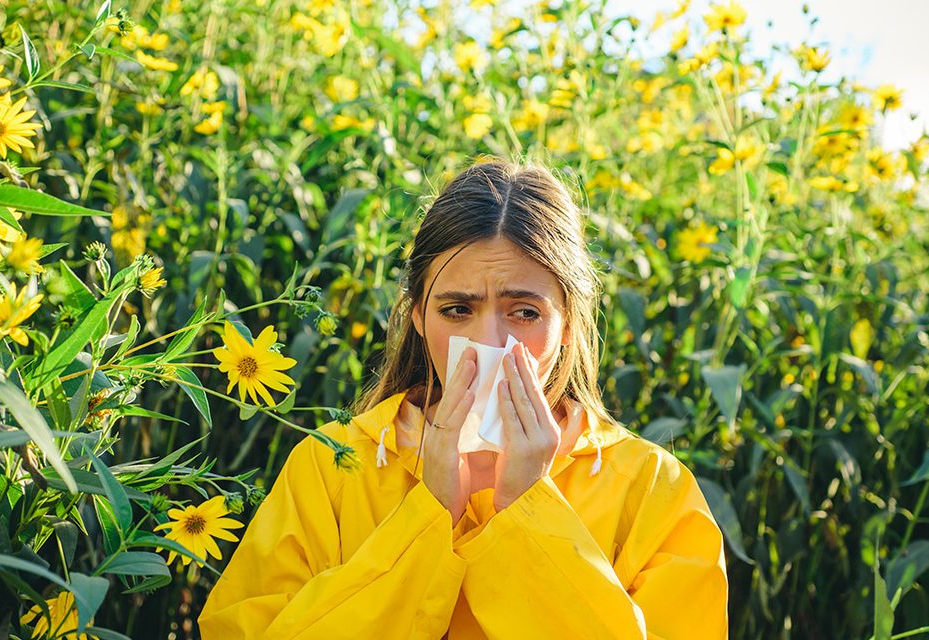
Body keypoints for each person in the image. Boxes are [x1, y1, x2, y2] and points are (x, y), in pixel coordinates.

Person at [198, 159, 729, 639]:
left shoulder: (650, 489)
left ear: (568, 322)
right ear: (418, 317)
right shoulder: (333, 466)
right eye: (457, 311)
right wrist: (427, 515)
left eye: (524, 313)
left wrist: (530, 510)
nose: (489, 343)